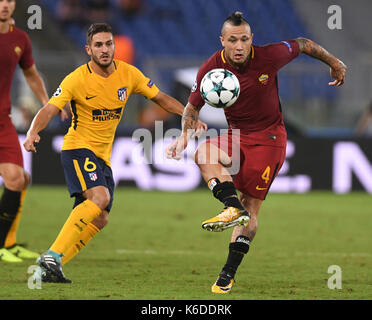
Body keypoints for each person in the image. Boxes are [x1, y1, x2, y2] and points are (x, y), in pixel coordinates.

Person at [166, 12, 346, 293]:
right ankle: (230, 207)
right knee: (203, 153)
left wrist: (335, 63)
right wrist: (184, 137)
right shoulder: (211, 70)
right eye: (233, 40)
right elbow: (192, 107)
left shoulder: (270, 56)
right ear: (222, 41)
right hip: (236, 135)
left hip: (270, 139)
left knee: (251, 208)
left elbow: (303, 43)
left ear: (252, 39)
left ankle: (228, 271)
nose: (239, 46)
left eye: (244, 39)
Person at [23, 23, 206, 283]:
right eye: (98, 45)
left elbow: (162, 98)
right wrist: (33, 132)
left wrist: (190, 115)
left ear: (114, 46)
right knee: (99, 196)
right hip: (78, 148)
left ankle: (52, 267)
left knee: (101, 219)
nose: (105, 49)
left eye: (108, 44)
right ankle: (52, 255)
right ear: (89, 50)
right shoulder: (76, 79)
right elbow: (50, 109)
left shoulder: (129, 74)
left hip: (102, 157)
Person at [0, 0, 65, 263]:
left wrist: (49, 104)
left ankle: (7, 242)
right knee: (17, 179)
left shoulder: (20, 39)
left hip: (3, 121)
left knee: (20, 179)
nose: (4, 5)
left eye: (9, 0)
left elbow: (31, 74)